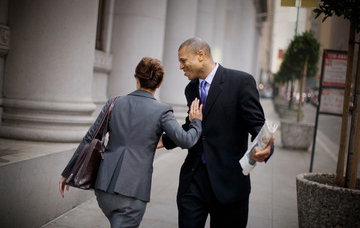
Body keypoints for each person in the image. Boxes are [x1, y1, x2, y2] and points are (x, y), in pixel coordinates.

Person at [59, 57, 203, 228]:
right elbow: (186, 141)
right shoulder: (163, 111)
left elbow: (90, 137)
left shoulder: (114, 102)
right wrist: (196, 122)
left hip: (103, 188)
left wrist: (69, 172)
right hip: (133, 193)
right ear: (159, 83)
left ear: (136, 79)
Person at [160, 37, 275, 228]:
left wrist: (266, 149)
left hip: (229, 184)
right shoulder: (191, 89)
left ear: (201, 55)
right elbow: (193, 126)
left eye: (183, 60)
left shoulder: (241, 82)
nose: (180, 67)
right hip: (193, 181)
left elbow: (258, 127)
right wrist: (163, 141)